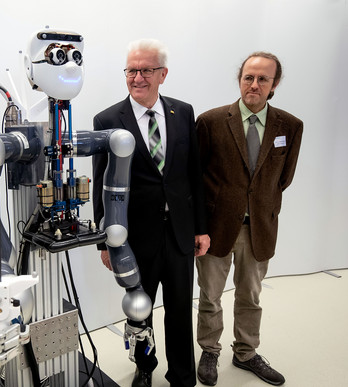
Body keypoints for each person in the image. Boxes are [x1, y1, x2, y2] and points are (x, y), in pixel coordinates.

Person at [92, 38, 210, 387]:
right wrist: (104, 242)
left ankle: (182, 377)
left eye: (146, 70)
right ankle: (145, 369)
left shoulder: (182, 111)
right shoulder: (108, 119)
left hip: (179, 234)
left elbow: (193, 175)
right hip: (133, 238)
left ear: (163, 74)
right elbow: (101, 184)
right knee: (139, 310)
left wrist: (201, 228)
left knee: (179, 312)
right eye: (131, 70)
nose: (137, 77)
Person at [195, 52, 303, 386]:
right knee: (210, 295)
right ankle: (209, 350)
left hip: (259, 228)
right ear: (240, 79)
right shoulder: (211, 121)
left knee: (250, 296)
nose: (253, 85)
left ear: (275, 84)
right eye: (248, 77)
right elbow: (195, 179)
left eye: (262, 79)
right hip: (215, 229)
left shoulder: (290, 126)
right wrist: (199, 228)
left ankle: (246, 352)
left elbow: (283, 179)